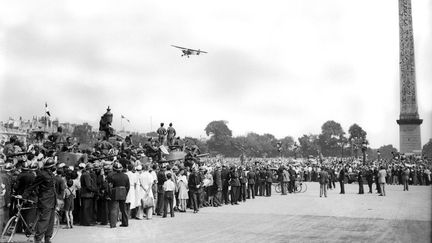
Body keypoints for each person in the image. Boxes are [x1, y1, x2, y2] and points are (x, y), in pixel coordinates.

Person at [23, 158, 57, 243]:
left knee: (51, 221)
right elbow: (32, 186)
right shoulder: (42, 175)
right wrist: (25, 195)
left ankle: (47, 238)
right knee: (44, 221)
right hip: (45, 201)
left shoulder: (51, 175)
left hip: (52, 201)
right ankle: (38, 239)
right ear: (51, 167)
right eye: (53, 166)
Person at [107, 162, 130, 228]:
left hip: (115, 193)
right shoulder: (126, 176)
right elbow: (128, 186)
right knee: (123, 209)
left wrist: (110, 194)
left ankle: (113, 224)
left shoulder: (112, 177)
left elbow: (110, 187)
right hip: (123, 192)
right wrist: (126, 193)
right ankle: (125, 223)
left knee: (114, 209)